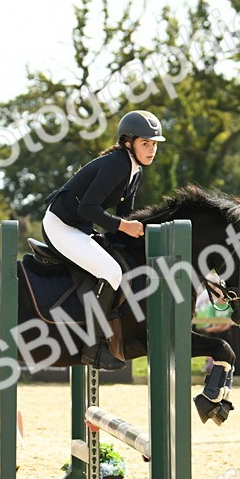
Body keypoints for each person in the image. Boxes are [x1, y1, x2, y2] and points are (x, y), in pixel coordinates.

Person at [42, 109, 165, 370]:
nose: (151, 149)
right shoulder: (117, 163)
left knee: (121, 260)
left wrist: (139, 232)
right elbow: (88, 208)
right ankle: (93, 347)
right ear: (128, 143)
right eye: (145, 143)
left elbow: (125, 215)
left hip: (80, 227)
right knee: (111, 271)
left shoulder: (134, 170)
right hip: (61, 226)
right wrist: (123, 226)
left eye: (154, 144)